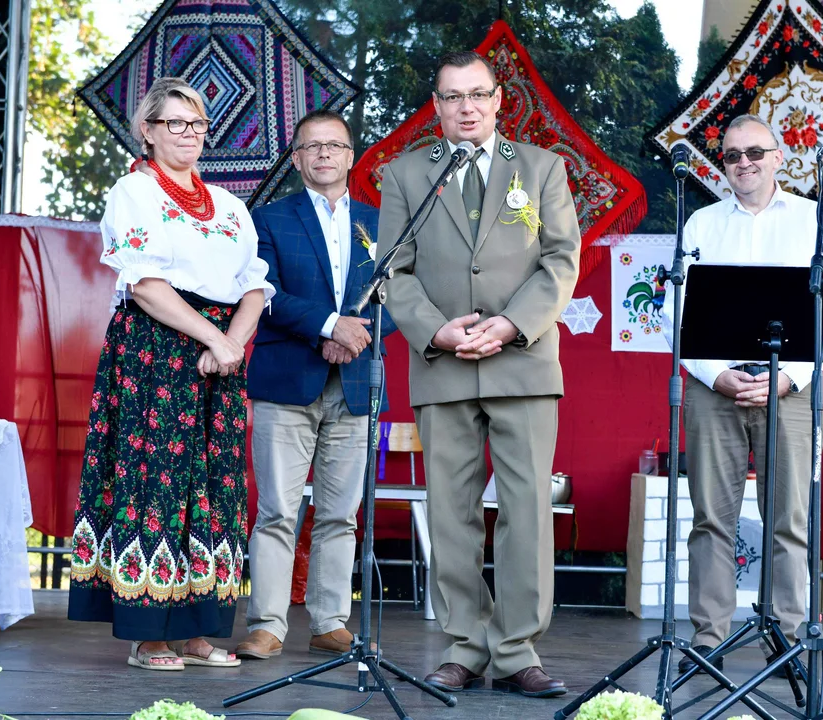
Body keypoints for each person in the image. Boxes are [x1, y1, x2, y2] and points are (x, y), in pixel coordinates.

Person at [376, 50, 580, 698]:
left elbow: (560, 261)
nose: (466, 107)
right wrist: (435, 329)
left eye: (477, 95)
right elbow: (392, 272)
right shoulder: (406, 175)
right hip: (442, 361)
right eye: (451, 97)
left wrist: (513, 323)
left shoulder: (543, 168)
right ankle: (464, 646)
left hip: (522, 359)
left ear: (499, 101)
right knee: (450, 511)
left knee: (526, 508)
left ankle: (518, 651)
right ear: (435, 108)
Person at [68, 77, 275, 671]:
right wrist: (212, 336)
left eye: (199, 124)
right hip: (154, 349)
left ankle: (200, 632)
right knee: (153, 481)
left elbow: (254, 286)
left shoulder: (232, 206)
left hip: (221, 357)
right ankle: (149, 636)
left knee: (215, 487)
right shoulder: (133, 193)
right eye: (177, 123)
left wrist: (231, 343)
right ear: (149, 131)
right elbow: (146, 283)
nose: (190, 134)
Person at [666, 114, 823, 675]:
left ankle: (792, 642)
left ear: (778, 159)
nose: (742, 163)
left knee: (788, 519)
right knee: (710, 520)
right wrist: (716, 373)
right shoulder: (699, 223)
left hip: (789, 390)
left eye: (754, 153)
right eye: (731, 156)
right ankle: (706, 640)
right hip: (712, 389)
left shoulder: (816, 222)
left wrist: (789, 377)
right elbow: (679, 316)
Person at [233, 110, 395, 660]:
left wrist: (353, 334)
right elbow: (262, 292)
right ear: (297, 159)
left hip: (356, 385)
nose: (324, 154)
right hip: (286, 383)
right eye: (312, 147)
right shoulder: (268, 220)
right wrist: (328, 327)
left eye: (335, 145)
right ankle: (268, 626)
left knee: (339, 513)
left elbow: (403, 296)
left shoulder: (382, 223)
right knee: (277, 510)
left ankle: (330, 621)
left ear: (351, 156)